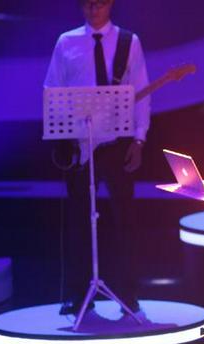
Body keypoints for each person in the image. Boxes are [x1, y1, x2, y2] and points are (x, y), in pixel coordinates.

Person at [44, 0, 150, 315]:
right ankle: (77, 294)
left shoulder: (129, 42)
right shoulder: (67, 41)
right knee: (78, 220)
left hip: (116, 141)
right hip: (79, 143)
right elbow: (53, 88)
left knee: (124, 221)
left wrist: (140, 139)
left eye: (99, 3)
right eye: (88, 4)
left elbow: (141, 91)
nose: (93, 10)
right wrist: (65, 134)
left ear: (110, 4)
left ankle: (127, 293)